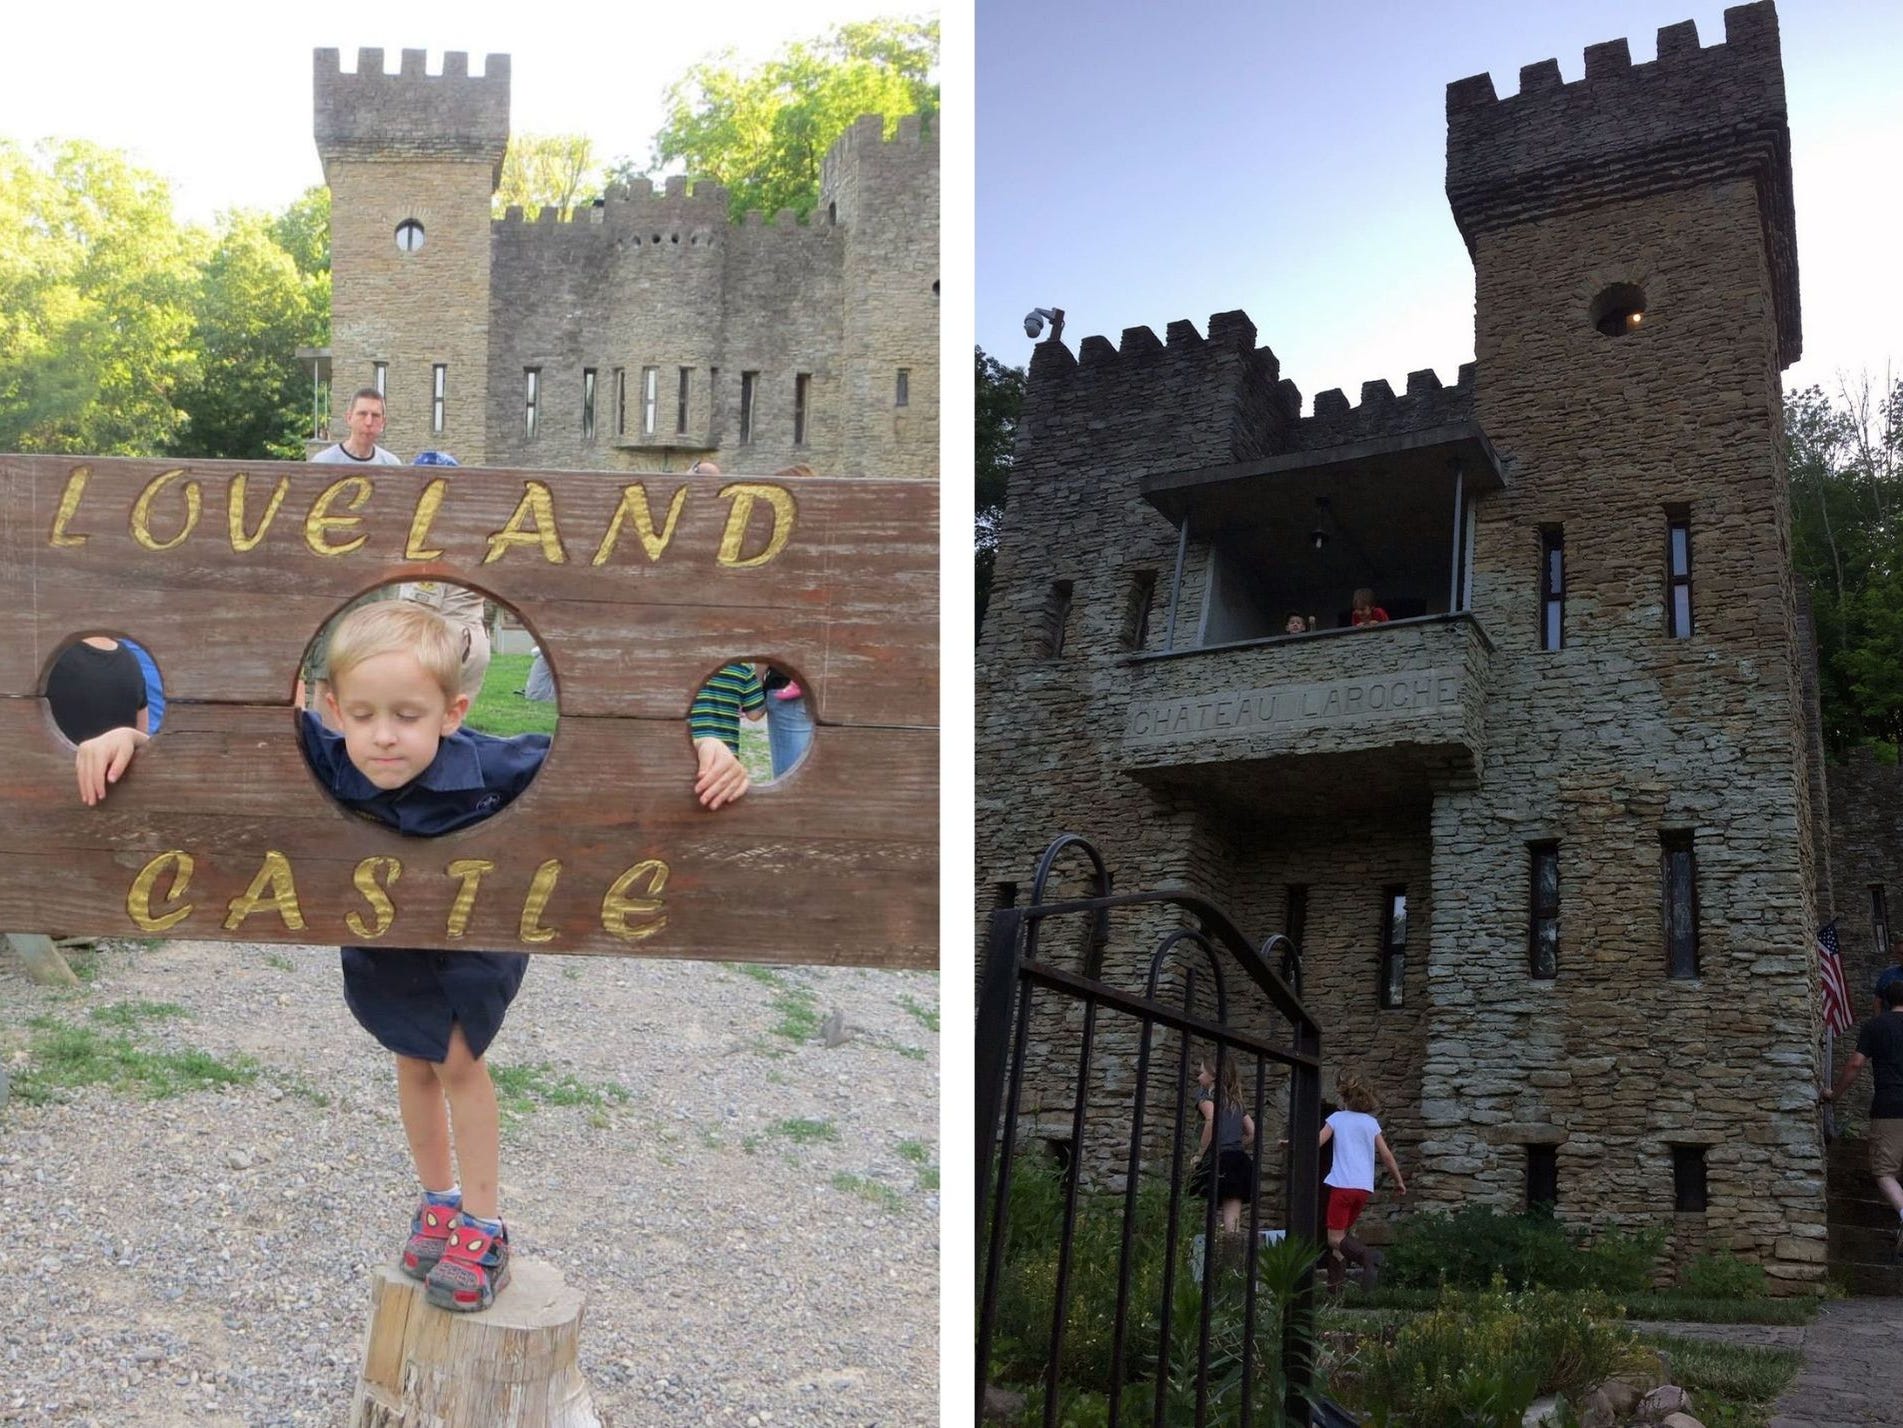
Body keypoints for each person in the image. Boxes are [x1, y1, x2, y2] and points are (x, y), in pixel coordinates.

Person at [73, 602, 754, 1312]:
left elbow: (603, 767)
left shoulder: (495, 762)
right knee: (409, 1053)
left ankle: (485, 1227)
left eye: (407, 715)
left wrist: (700, 750)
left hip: (471, 938)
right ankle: (438, 1201)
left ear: (452, 712)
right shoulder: (321, 755)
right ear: (334, 709)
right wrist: (131, 739)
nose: (383, 736)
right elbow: (219, 749)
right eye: (362, 715)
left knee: (457, 1063)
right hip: (381, 935)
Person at [397, 453, 492, 703]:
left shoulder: (435, 532)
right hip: (470, 639)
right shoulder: (472, 527)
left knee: (419, 725)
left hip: (443, 638)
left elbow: (421, 605)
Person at [1823, 978, 1903, 1259]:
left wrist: (1835, 1095)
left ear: (1883, 1002)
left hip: (1890, 1107)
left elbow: (1856, 1063)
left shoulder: (1875, 1026)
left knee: (1885, 1172)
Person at [1317, 1072, 1406, 1292]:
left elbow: (1316, 1141)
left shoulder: (1336, 1119)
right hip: (1363, 1189)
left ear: (1344, 1096)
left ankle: (1368, 1257)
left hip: (1342, 1186)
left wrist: (1291, 1143)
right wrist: (1399, 1181)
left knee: (1333, 1239)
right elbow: (1386, 1155)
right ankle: (1335, 1288)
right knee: (1343, 1236)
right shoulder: (1371, 1123)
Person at [1195, 1056, 1256, 1233]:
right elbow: (1252, 1132)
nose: (1198, 1077)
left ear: (1213, 1075)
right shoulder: (1236, 1102)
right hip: (1237, 1160)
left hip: (1217, 1158)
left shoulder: (1205, 1097)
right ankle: (1232, 1257)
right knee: (1232, 1221)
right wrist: (1235, 1143)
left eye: (1201, 1073)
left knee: (1203, 1212)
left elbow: (1211, 1118)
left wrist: (1200, 1153)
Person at [689, 662, 767, 755]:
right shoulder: (742, 668)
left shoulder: (678, 666)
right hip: (725, 753)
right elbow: (754, 714)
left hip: (685, 749)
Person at [313, 388, 402, 465]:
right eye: (362, 414)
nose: (368, 422)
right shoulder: (323, 462)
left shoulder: (392, 465)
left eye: (375, 416)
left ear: (383, 422)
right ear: (349, 418)